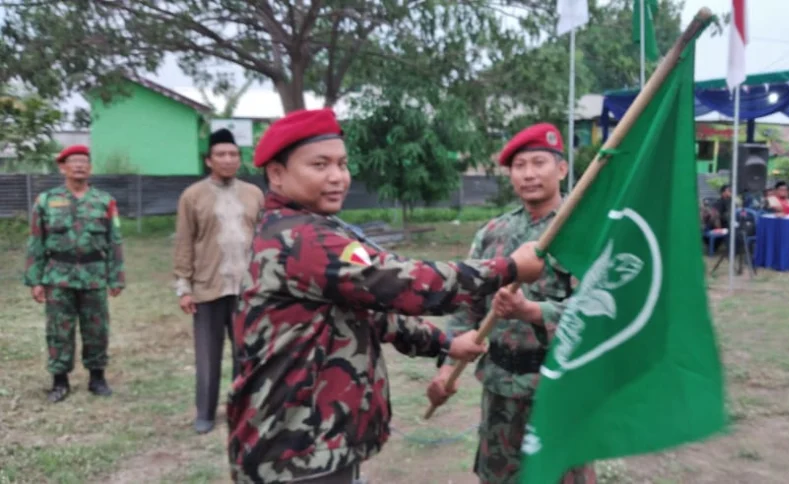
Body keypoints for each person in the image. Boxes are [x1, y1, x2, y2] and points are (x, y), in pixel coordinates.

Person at [225, 108, 546, 484]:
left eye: (342, 164)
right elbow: (404, 285)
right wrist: (507, 268)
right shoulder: (299, 239)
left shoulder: (314, 230)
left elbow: (372, 312)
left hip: (314, 439)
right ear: (277, 174)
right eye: (320, 165)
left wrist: (444, 343)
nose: (337, 177)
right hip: (295, 447)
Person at [428, 123, 598, 484]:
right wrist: (447, 369)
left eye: (539, 163)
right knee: (498, 477)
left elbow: (597, 313)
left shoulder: (585, 231)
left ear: (562, 169)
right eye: (519, 166)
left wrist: (533, 311)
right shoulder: (492, 234)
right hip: (500, 388)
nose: (529, 174)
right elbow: (466, 309)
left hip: (558, 389)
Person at [173, 128, 265, 434]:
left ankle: (243, 410)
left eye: (233, 155)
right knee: (208, 357)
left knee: (246, 353)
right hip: (208, 288)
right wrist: (184, 287)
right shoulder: (193, 196)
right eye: (221, 155)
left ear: (240, 159)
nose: (227, 160)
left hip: (247, 289)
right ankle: (206, 414)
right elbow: (184, 242)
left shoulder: (254, 194)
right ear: (209, 160)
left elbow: (265, 240)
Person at [23, 145, 125, 403]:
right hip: (58, 276)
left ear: (89, 168)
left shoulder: (104, 201)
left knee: (97, 329)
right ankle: (59, 382)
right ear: (63, 167)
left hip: (94, 275)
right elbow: (36, 241)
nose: (79, 165)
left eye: (84, 161)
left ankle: (97, 378)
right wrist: (35, 280)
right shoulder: (46, 201)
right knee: (59, 330)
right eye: (73, 161)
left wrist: (116, 277)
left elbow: (115, 240)